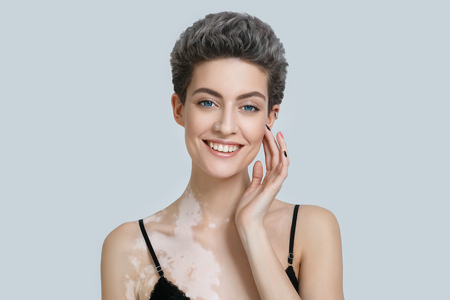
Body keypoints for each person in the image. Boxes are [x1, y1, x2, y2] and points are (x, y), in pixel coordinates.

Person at [101, 12, 344, 300]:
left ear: (271, 116)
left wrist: (252, 230)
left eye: (249, 107)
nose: (225, 126)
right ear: (179, 109)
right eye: (208, 102)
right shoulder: (130, 247)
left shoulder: (310, 230)